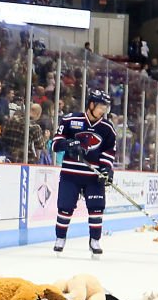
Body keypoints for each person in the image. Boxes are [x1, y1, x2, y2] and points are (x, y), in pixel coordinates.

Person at [49, 87, 118, 256]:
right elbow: (55, 144)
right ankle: (60, 238)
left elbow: (109, 151)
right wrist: (69, 144)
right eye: (101, 106)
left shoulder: (107, 128)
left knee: (96, 208)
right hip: (70, 175)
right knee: (65, 207)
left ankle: (95, 240)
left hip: (93, 177)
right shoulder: (70, 120)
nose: (103, 110)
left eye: (105, 108)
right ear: (92, 104)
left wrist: (106, 169)